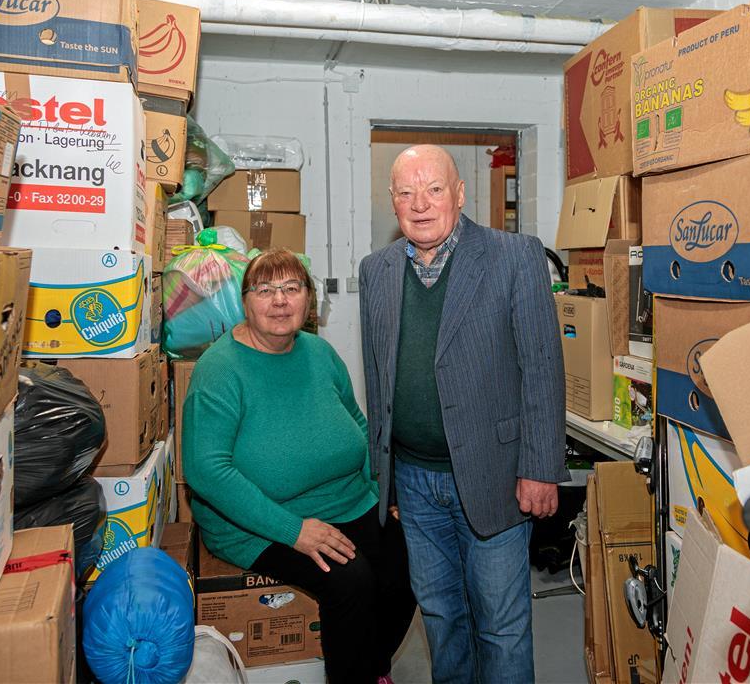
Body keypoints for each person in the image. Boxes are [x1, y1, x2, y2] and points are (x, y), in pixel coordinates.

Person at [359, 145, 568, 684]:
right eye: (406, 192)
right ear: (392, 202)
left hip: (496, 476)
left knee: (500, 625)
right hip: (414, 481)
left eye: (433, 189)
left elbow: (542, 367)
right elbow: (379, 377)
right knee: (441, 617)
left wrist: (540, 466)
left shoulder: (514, 256)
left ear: (460, 194)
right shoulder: (377, 270)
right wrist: (387, 482)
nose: (420, 203)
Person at [184, 249, 416, 684]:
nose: (280, 301)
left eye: (292, 289)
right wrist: (295, 531)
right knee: (351, 580)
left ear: (308, 300)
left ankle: (369, 665)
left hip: (346, 499)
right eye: (266, 290)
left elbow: (359, 424)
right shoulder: (219, 369)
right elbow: (206, 471)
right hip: (258, 522)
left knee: (410, 562)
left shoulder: (320, 353)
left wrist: (385, 493)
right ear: (245, 301)